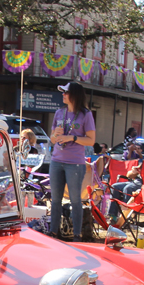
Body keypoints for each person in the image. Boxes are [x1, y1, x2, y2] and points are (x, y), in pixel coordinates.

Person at [49, 81, 96, 241]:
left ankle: (77, 234)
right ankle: (53, 232)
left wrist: (72, 137)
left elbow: (91, 141)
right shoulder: (59, 113)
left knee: (75, 199)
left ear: (74, 95)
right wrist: (55, 134)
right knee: (55, 199)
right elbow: (52, 139)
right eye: (62, 92)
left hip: (75, 163)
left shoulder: (86, 115)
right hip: (56, 160)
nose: (63, 94)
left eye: (66, 92)